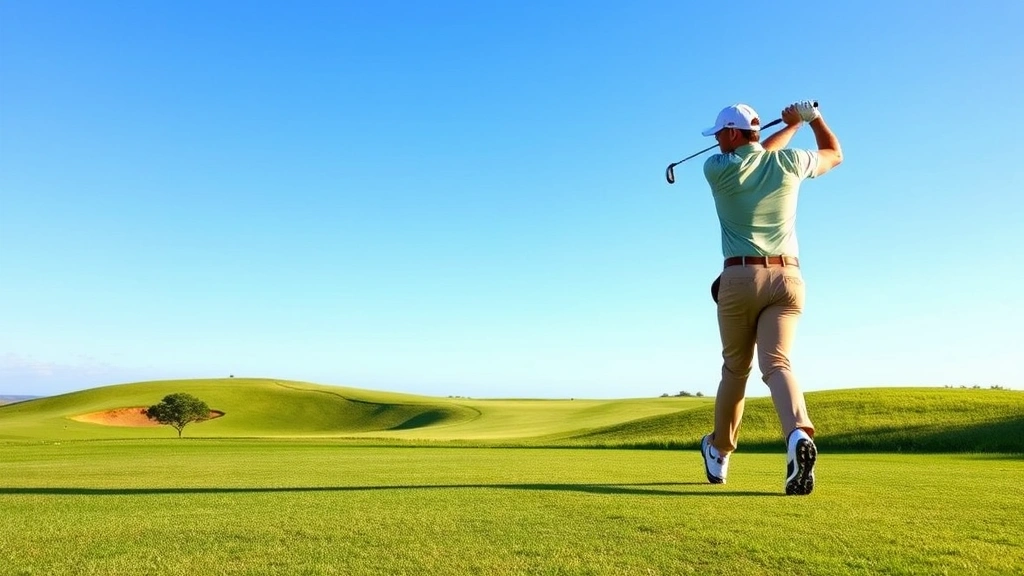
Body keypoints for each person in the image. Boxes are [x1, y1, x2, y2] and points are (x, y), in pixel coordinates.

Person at [698, 100, 843, 495]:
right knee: (777, 363)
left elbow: (756, 156)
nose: (717, 145)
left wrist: (791, 125)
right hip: (788, 277)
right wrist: (809, 121)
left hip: (740, 278)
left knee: (736, 369)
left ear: (730, 134)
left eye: (719, 137)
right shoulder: (790, 163)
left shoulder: (716, 170)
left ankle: (720, 450)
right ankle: (798, 434)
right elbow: (835, 154)